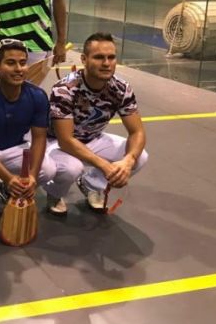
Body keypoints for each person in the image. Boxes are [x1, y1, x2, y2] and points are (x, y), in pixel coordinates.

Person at [0, 39, 75, 220]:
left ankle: (8, 189)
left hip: (15, 147)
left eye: (23, 63)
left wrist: (32, 177)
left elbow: (39, 139)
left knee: (48, 170)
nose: (18, 69)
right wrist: (8, 177)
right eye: (11, 63)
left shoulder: (38, 96)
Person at [46, 32, 149, 213]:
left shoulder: (121, 88)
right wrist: (105, 166)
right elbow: (66, 140)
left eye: (111, 57)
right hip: (57, 143)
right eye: (99, 57)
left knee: (140, 157)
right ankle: (55, 193)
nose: (107, 63)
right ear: (84, 59)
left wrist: (128, 161)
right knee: (72, 168)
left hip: (93, 138)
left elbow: (137, 132)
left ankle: (91, 184)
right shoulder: (65, 89)